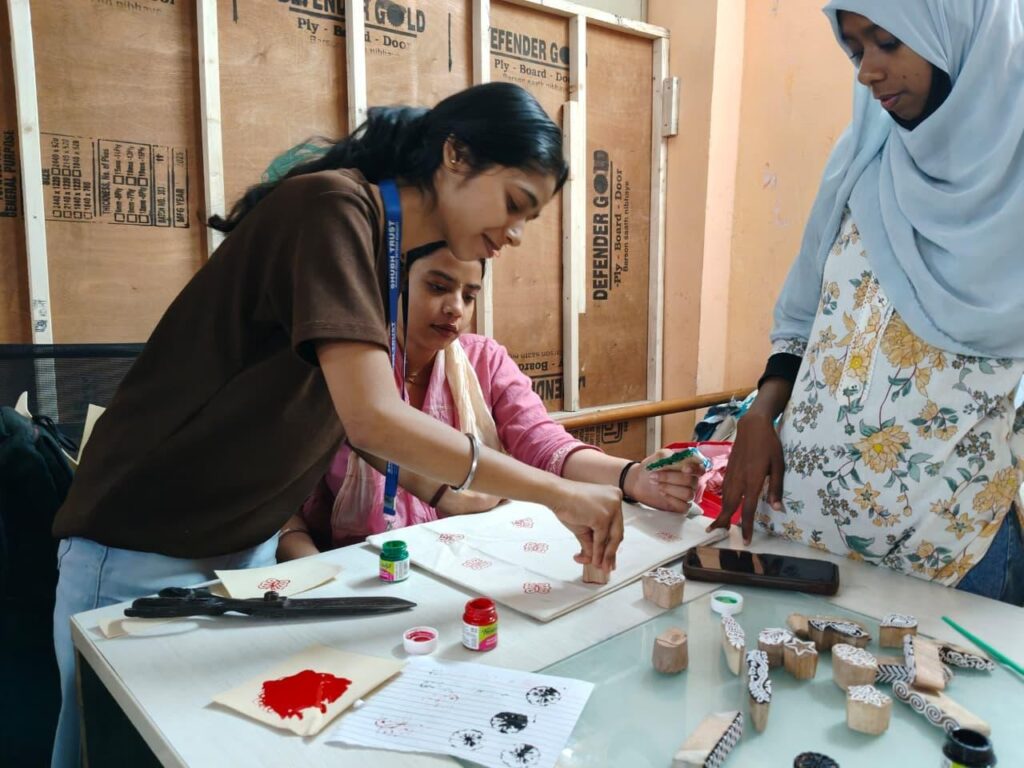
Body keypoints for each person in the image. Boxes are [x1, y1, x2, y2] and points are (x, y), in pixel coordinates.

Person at [48, 83, 626, 768]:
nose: (516, 233)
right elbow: (373, 417)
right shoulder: (333, 209)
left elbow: (341, 414)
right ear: (455, 156)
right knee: (116, 753)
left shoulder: (382, 250)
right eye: (515, 203)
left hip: (242, 549)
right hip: (143, 545)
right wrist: (557, 493)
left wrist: (443, 494)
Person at [713, 0, 1024, 605]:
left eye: (887, 42)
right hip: (802, 531)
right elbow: (804, 314)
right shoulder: (863, 156)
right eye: (855, 49)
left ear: (957, 31)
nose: (866, 72)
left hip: (951, 554)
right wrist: (760, 413)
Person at [277, 245, 703, 560]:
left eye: (469, 295)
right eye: (437, 287)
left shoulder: (485, 360)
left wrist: (633, 477)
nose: (454, 308)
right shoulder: (344, 372)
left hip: (471, 562)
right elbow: (285, 505)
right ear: (394, 284)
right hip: (363, 570)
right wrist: (313, 571)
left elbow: (544, 444)